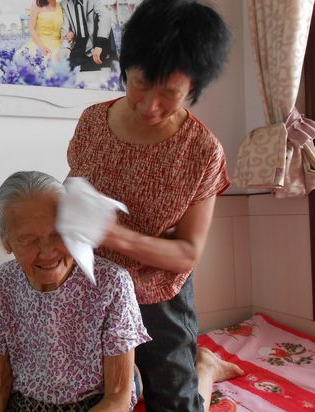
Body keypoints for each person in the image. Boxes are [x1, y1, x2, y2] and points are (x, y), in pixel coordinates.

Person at [0, 171, 243, 412]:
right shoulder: (4, 283)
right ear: (6, 242)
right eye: (28, 240)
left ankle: (204, 367)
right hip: (24, 404)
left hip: (100, 402)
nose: (47, 253)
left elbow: (117, 396)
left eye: (58, 234)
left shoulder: (111, 283)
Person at [66, 0, 234, 410]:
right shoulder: (92, 124)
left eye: (170, 94)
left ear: (193, 88)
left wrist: (112, 234)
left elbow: (187, 253)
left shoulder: (202, 152)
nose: (149, 106)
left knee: (176, 404)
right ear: (126, 67)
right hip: (92, 288)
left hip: (159, 295)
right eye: (140, 83)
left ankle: (205, 368)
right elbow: (72, 190)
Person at [60, 0, 118, 71]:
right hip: (77, 47)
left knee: (92, 69)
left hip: (94, 46)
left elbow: (105, 16)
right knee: (67, 69)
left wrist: (99, 45)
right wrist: (66, 48)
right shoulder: (65, 3)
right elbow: (65, 27)